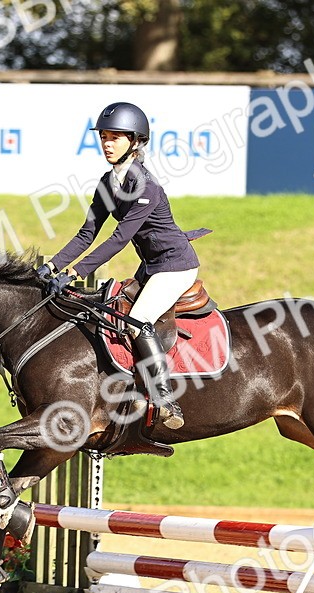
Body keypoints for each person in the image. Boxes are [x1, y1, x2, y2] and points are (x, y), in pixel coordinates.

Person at [44, 101, 201, 431]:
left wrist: (74, 273)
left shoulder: (147, 187)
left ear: (135, 141)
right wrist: (52, 266)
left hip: (175, 265)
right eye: (104, 136)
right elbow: (87, 233)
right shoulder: (107, 181)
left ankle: (164, 399)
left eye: (115, 137)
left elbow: (117, 239)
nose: (107, 143)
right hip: (151, 267)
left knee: (138, 320)